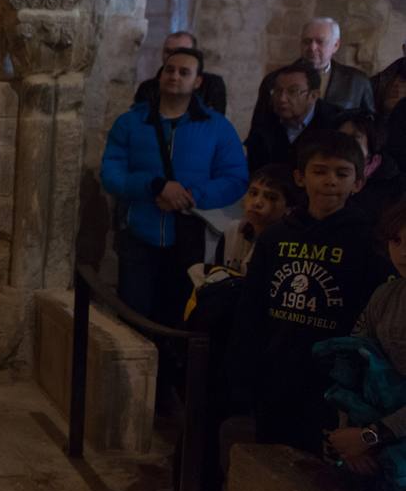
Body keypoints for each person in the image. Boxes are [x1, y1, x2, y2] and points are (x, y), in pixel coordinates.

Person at [233, 133, 394, 453]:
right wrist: (243, 365)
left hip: (331, 377)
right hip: (277, 365)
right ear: (300, 178)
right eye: (319, 171)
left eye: (341, 173)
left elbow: (371, 314)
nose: (330, 181)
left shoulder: (368, 242)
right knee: (271, 457)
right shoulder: (276, 237)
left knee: (319, 467)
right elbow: (252, 306)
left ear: (358, 182)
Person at [102, 46, 248, 327]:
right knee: (134, 315)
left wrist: (189, 196)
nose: (175, 76)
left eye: (184, 72)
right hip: (139, 233)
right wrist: (154, 186)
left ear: (198, 81)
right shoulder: (131, 122)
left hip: (188, 235)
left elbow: (235, 178)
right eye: (169, 70)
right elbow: (111, 172)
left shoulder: (217, 128)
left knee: (179, 316)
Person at [320, 199, 406, 485]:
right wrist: (350, 437)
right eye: (396, 241)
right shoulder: (386, 294)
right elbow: (352, 361)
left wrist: (371, 436)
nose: (403, 252)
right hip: (370, 440)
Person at [250, 18, 374, 130]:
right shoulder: (274, 80)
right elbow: (259, 129)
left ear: (336, 45)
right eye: (307, 41)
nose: (312, 47)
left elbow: (370, 126)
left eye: (320, 42)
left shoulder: (357, 81)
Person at [244, 62, 342, 173]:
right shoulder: (264, 118)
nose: (282, 99)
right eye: (277, 91)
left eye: (292, 91)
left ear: (313, 96)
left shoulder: (335, 122)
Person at [212, 164, 301, 275]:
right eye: (253, 193)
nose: (257, 203)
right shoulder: (233, 231)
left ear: (289, 209)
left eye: (271, 198)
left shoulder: (288, 245)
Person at [335, 110, 406, 225]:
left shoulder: (396, 184)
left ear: (372, 141)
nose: (345, 143)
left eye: (355, 138)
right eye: (341, 137)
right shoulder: (326, 174)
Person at [134, 30, 228, 114]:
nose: (173, 57)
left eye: (181, 52)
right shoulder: (147, 88)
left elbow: (213, 121)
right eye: (168, 51)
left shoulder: (212, 85)